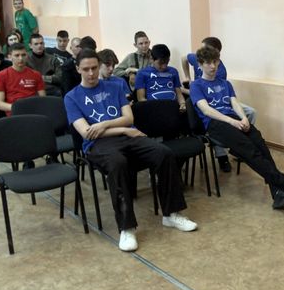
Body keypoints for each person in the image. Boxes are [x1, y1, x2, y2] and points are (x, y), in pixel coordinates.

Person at [64, 50, 197, 251]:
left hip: (128, 136)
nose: (91, 73)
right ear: (78, 69)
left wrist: (104, 124)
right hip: (99, 144)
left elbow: (129, 118)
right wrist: (122, 129)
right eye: (86, 69)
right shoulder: (71, 97)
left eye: (94, 68)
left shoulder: (115, 87)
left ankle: (171, 214)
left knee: (164, 153)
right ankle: (126, 228)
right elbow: (87, 133)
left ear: (99, 66)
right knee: (118, 164)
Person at [191, 46, 284, 210]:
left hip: (233, 119)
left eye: (215, 62)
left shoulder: (225, 83)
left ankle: (278, 194)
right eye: (208, 63)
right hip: (215, 123)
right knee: (248, 148)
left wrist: (243, 118)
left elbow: (234, 103)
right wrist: (232, 122)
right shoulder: (196, 85)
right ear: (200, 64)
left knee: (260, 143)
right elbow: (206, 110)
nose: (213, 66)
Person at [182, 36, 254, 173]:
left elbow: (220, 95)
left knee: (249, 112)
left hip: (215, 99)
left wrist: (184, 90)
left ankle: (238, 145)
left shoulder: (220, 72)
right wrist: (187, 77)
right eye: (202, 48)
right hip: (201, 99)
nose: (202, 52)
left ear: (216, 54)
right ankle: (222, 155)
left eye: (206, 49)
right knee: (214, 119)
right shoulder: (198, 58)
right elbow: (183, 58)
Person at [0, 43, 46, 116]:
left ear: (27, 56)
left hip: (34, 111)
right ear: (10, 57)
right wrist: (18, 108)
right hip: (15, 113)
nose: (21, 58)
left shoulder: (36, 74)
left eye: (23, 55)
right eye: (17, 55)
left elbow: (43, 99)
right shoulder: (1, 75)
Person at [134, 44, 185, 110]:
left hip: (172, 106)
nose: (164, 66)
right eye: (160, 63)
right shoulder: (142, 73)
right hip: (154, 108)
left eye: (166, 62)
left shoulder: (173, 71)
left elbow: (179, 93)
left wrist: (183, 104)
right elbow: (141, 99)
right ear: (152, 59)